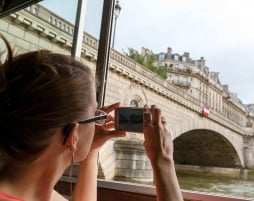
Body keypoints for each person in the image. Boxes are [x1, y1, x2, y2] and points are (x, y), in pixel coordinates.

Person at [0, 34, 183, 201]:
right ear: (73, 136)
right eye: (94, 115)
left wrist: (91, 149)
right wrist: (164, 160)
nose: (99, 120)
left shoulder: (26, 189)